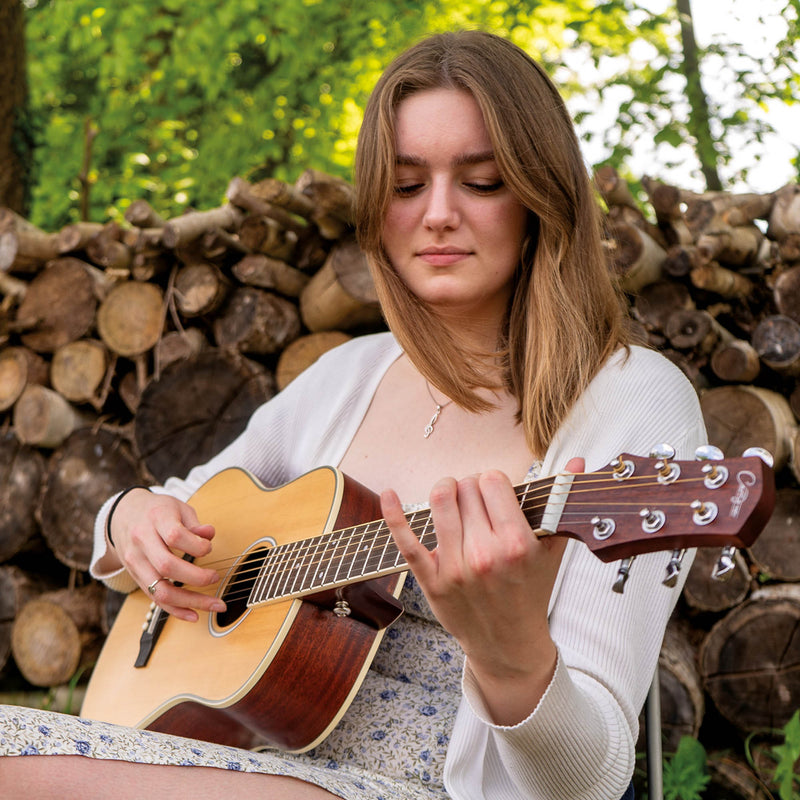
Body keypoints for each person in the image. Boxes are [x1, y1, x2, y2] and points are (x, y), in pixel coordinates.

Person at [0, 30, 706, 800]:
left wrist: (511, 656)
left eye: (481, 181)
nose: (437, 215)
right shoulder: (348, 375)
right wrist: (128, 518)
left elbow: (593, 781)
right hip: (254, 762)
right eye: (406, 187)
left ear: (540, 195)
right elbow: (176, 509)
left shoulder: (635, 402)